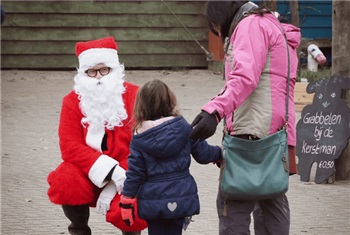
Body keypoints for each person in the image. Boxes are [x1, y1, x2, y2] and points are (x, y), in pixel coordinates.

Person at [190, 1, 301, 235]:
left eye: (216, 29)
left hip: (251, 134)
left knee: (233, 204)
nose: (220, 35)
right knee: (272, 202)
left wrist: (214, 111)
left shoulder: (250, 25)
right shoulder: (271, 25)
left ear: (218, 20)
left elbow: (244, 77)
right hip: (277, 133)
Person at [47, 36, 147, 235]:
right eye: (91, 72)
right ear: (83, 74)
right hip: (88, 170)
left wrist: (121, 176)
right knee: (65, 179)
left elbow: (144, 146)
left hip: (130, 169)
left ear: (114, 69)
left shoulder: (135, 95)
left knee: (130, 209)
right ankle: (79, 229)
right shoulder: (72, 101)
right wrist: (110, 171)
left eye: (104, 70)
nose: (99, 77)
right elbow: (69, 147)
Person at [118, 79, 222, 235]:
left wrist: (126, 199)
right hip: (181, 194)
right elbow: (203, 154)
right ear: (170, 100)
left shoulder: (139, 138)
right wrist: (220, 153)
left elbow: (135, 173)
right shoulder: (185, 128)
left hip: (153, 199)